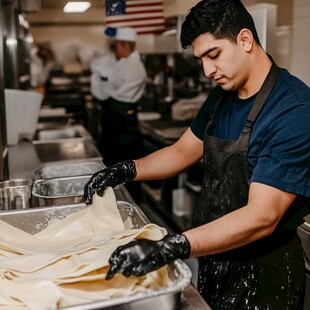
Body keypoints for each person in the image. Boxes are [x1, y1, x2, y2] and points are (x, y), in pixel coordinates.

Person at [84, 0, 310, 308]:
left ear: (245, 40)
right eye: (200, 58)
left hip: (266, 275)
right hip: (214, 259)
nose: (207, 70)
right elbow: (181, 152)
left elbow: (262, 217)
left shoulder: (292, 110)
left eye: (213, 55)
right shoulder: (222, 97)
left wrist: (174, 246)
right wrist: (125, 169)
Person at [90, 27, 147, 202]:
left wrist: (102, 85)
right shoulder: (122, 63)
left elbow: (113, 95)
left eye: (116, 46)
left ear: (124, 45)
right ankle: (114, 203)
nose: (114, 51)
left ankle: (130, 207)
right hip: (114, 124)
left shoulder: (134, 67)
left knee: (126, 171)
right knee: (112, 166)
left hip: (124, 127)